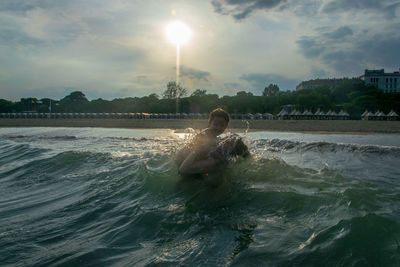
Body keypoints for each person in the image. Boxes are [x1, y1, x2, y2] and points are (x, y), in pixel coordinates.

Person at [176, 108, 249, 175]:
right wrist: (223, 160)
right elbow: (208, 150)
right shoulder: (204, 135)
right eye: (215, 124)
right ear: (209, 123)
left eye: (222, 125)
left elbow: (211, 150)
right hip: (185, 161)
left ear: (226, 126)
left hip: (189, 161)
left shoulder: (212, 136)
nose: (218, 127)